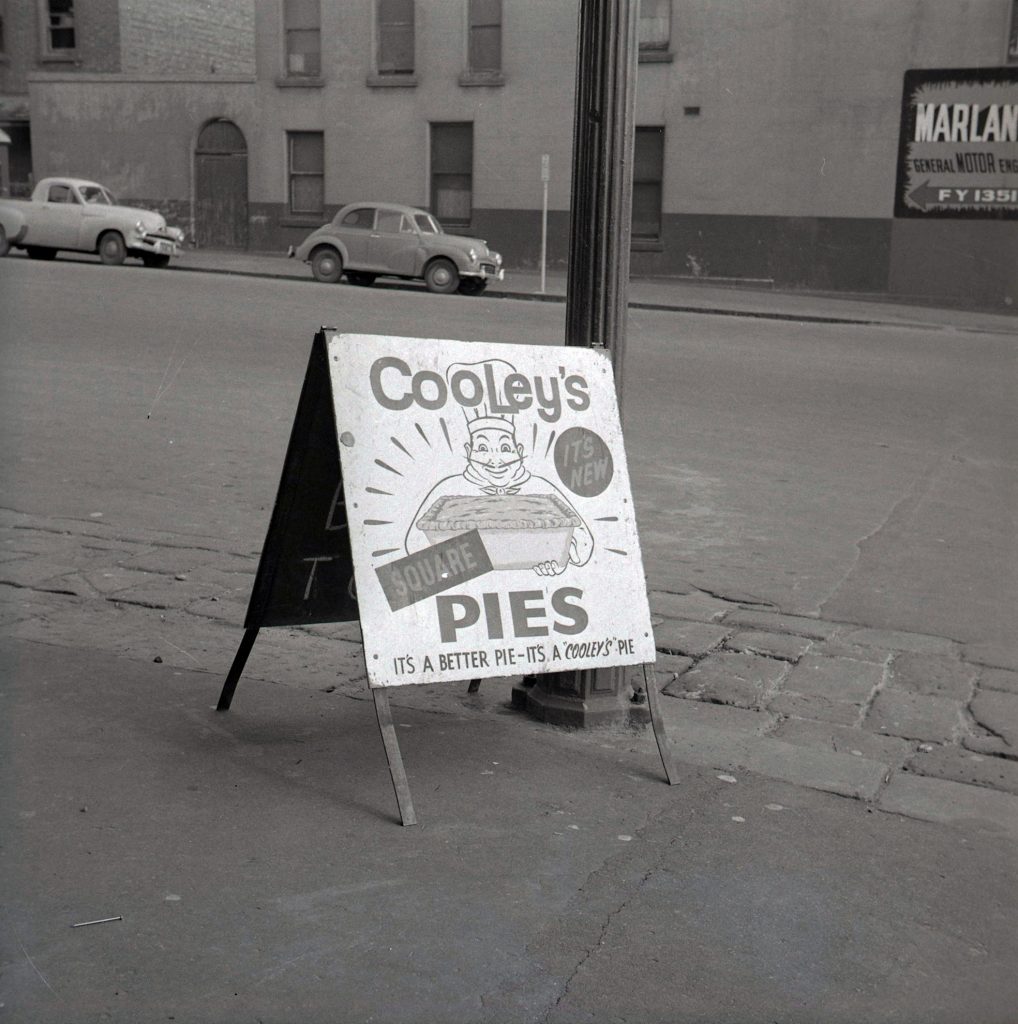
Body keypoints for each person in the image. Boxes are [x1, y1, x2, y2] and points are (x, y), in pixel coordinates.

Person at [404, 358, 594, 576]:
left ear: (519, 451)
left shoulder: (541, 489)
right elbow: (414, 548)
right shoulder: (449, 490)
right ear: (468, 451)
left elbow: (583, 547)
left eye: (505, 447)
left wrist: (560, 560)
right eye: (483, 448)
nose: (495, 460)